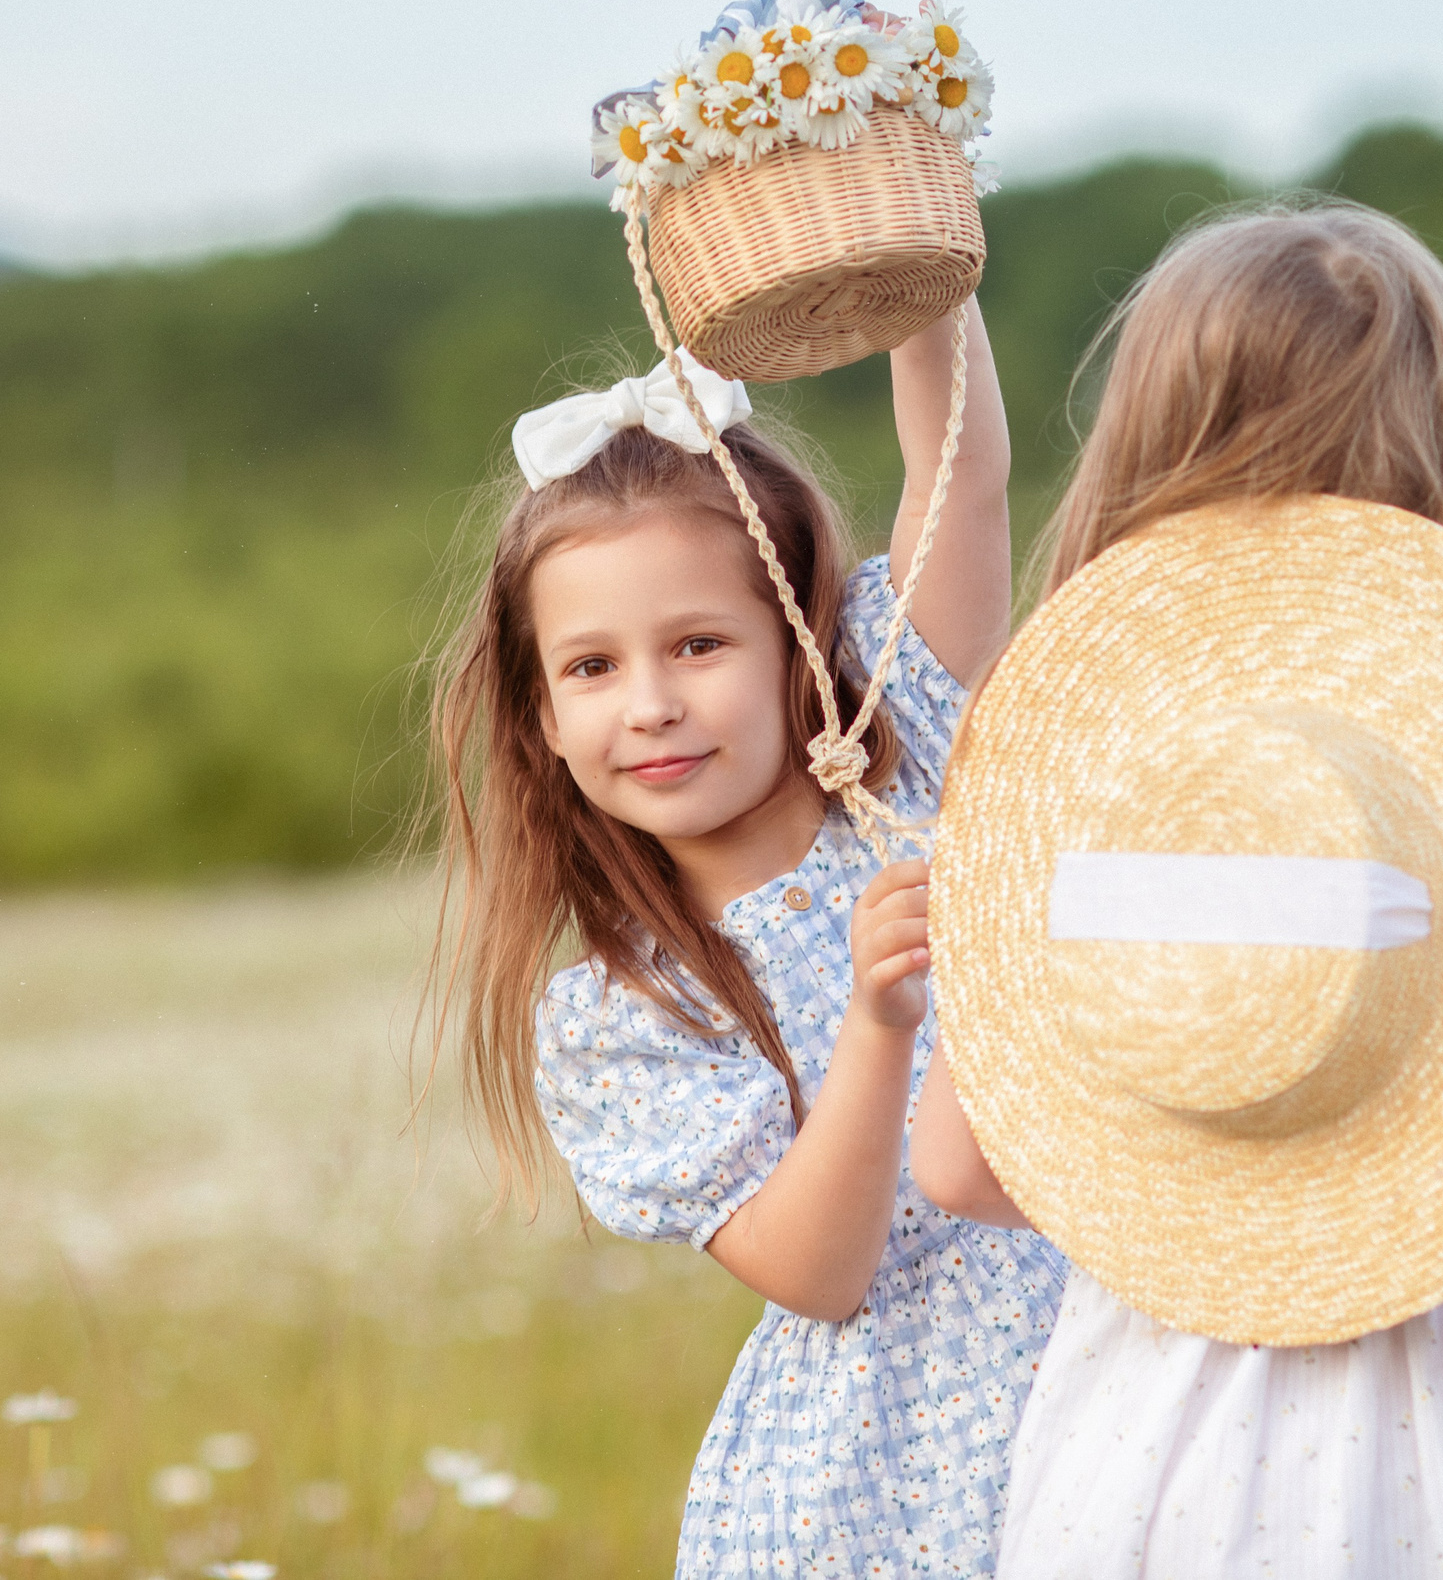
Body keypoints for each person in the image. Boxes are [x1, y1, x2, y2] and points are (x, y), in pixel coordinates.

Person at [909, 202, 1443, 1580]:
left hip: (1126, 1460)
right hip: (1398, 1475)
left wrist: (1203, 1175)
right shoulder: (1439, 763)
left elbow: (962, 1162)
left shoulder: (1081, 752)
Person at [422, 304, 1066, 1577]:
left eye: (700, 645)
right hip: (884, 1489)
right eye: (592, 668)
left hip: (1103, 1367)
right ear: (540, 716)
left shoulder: (910, 727)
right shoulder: (624, 1012)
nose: (652, 704)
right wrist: (876, 1031)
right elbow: (818, 1273)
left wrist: (926, 278)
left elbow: (961, 478)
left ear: (800, 642)